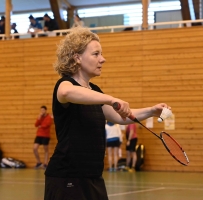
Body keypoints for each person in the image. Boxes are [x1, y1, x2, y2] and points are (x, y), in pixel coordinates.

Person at [44, 27, 171, 200]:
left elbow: (119, 117)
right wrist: (110, 99)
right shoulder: (64, 85)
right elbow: (67, 93)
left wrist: (151, 111)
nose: (102, 59)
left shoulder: (95, 91)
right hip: (67, 177)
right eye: (96, 54)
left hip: (93, 177)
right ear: (77, 57)